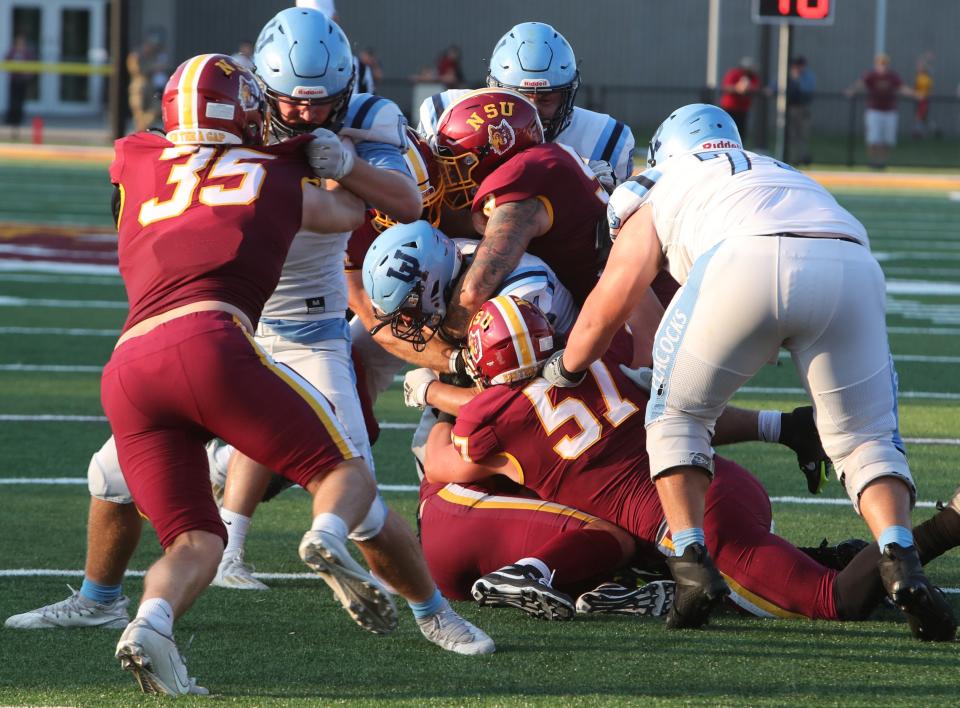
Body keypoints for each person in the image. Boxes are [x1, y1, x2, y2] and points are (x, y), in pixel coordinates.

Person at [540, 103, 957, 640]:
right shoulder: (779, 169)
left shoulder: (657, 182)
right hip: (850, 265)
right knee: (866, 441)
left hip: (742, 262)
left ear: (667, 149)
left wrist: (567, 366)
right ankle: (900, 557)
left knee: (678, 419)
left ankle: (691, 567)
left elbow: (613, 296)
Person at [100, 52, 388, 696]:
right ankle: (324, 536)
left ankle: (151, 623)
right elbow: (349, 216)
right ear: (249, 111)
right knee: (345, 471)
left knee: (195, 540)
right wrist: (338, 162)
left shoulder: (137, 156)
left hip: (127, 370)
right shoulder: (276, 172)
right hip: (208, 340)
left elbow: (136, 167)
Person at [214, 6, 493, 655]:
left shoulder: (370, 121)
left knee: (345, 457)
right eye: (294, 103)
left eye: (324, 104)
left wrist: (343, 163)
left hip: (310, 317)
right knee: (112, 475)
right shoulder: (242, 117)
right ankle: (112, 596)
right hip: (240, 307)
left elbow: (400, 201)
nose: (309, 115)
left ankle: (413, 599)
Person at [422, 296, 960, 630]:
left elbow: (448, 466)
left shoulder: (490, 416)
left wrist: (434, 397)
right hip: (715, 480)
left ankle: (947, 525)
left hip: (690, 526)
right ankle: (831, 557)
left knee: (833, 603)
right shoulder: (597, 359)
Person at [430, 88, 610, 340]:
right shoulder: (542, 162)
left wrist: (443, 341)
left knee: (496, 266)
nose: (451, 173)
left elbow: (476, 287)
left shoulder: (518, 176)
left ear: (493, 147)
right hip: (609, 306)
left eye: (459, 161)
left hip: (613, 326)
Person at [419, 22, 635, 185]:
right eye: (517, 99)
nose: (530, 111)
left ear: (567, 95)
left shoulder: (605, 139)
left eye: (545, 99)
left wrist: (602, 198)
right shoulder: (448, 115)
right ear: (494, 89)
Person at [845, 54, 913, 170]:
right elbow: (861, 83)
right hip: (874, 111)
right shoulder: (871, 75)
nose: (883, 66)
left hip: (889, 111)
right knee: (873, 139)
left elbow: (901, 88)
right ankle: (873, 161)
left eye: (884, 63)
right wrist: (851, 90)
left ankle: (882, 162)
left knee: (887, 140)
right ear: (876, 64)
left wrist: (915, 94)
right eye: (880, 63)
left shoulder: (892, 76)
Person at [719, 57, 761, 141]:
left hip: (742, 110)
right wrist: (737, 88)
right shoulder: (734, 73)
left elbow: (755, 88)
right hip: (729, 109)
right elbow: (727, 87)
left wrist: (747, 88)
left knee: (740, 133)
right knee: (727, 131)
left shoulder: (753, 77)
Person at [4, 34, 35, 138]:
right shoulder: (12, 52)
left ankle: (17, 126)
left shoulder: (27, 54)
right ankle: (13, 126)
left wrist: (27, 73)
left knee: (20, 104)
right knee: (13, 103)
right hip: (14, 81)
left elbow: (32, 68)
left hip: (22, 82)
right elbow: (6, 62)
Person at [786, 56, 815, 165]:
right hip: (790, 109)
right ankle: (792, 158)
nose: (797, 68)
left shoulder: (808, 77)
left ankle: (803, 157)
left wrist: (797, 80)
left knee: (803, 134)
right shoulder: (787, 75)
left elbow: (807, 90)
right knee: (791, 135)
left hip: (803, 108)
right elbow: (776, 86)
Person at [911, 53, 934, 138]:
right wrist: (925, 58)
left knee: (921, 116)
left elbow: (930, 90)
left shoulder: (927, 78)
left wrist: (926, 59)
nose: (919, 67)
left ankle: (918, 132)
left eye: (921, 67)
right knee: (921, 117)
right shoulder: (918, 76)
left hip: (924, 99)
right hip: (918, 98)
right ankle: (932, 130)